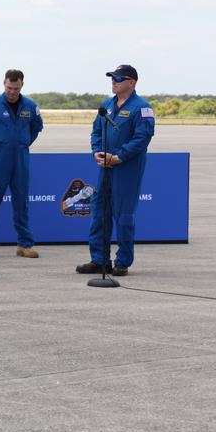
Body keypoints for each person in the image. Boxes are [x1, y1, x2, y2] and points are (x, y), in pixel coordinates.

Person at [78, 65, 155, 276]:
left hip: (127, 167)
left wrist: (119, 156)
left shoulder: (142, 108)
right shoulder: (106, 106)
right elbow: (96, 131)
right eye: (112, 78)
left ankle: (123, 261)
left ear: (132, 83)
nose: (114, 82)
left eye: (118, 78)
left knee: (123, 215)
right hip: (105, 166)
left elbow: (142, 138)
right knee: (100, 213)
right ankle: (99, 260)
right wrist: (97, 152)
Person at [0, 69, 44, 258]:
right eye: (8, 87)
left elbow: (36, 129)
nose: (12, 91)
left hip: (20, 159)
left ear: (22, 85)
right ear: (3, 84)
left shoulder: (30, 106)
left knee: (21, 201)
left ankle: (24, 243)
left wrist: (22, 144)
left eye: (15, 88)